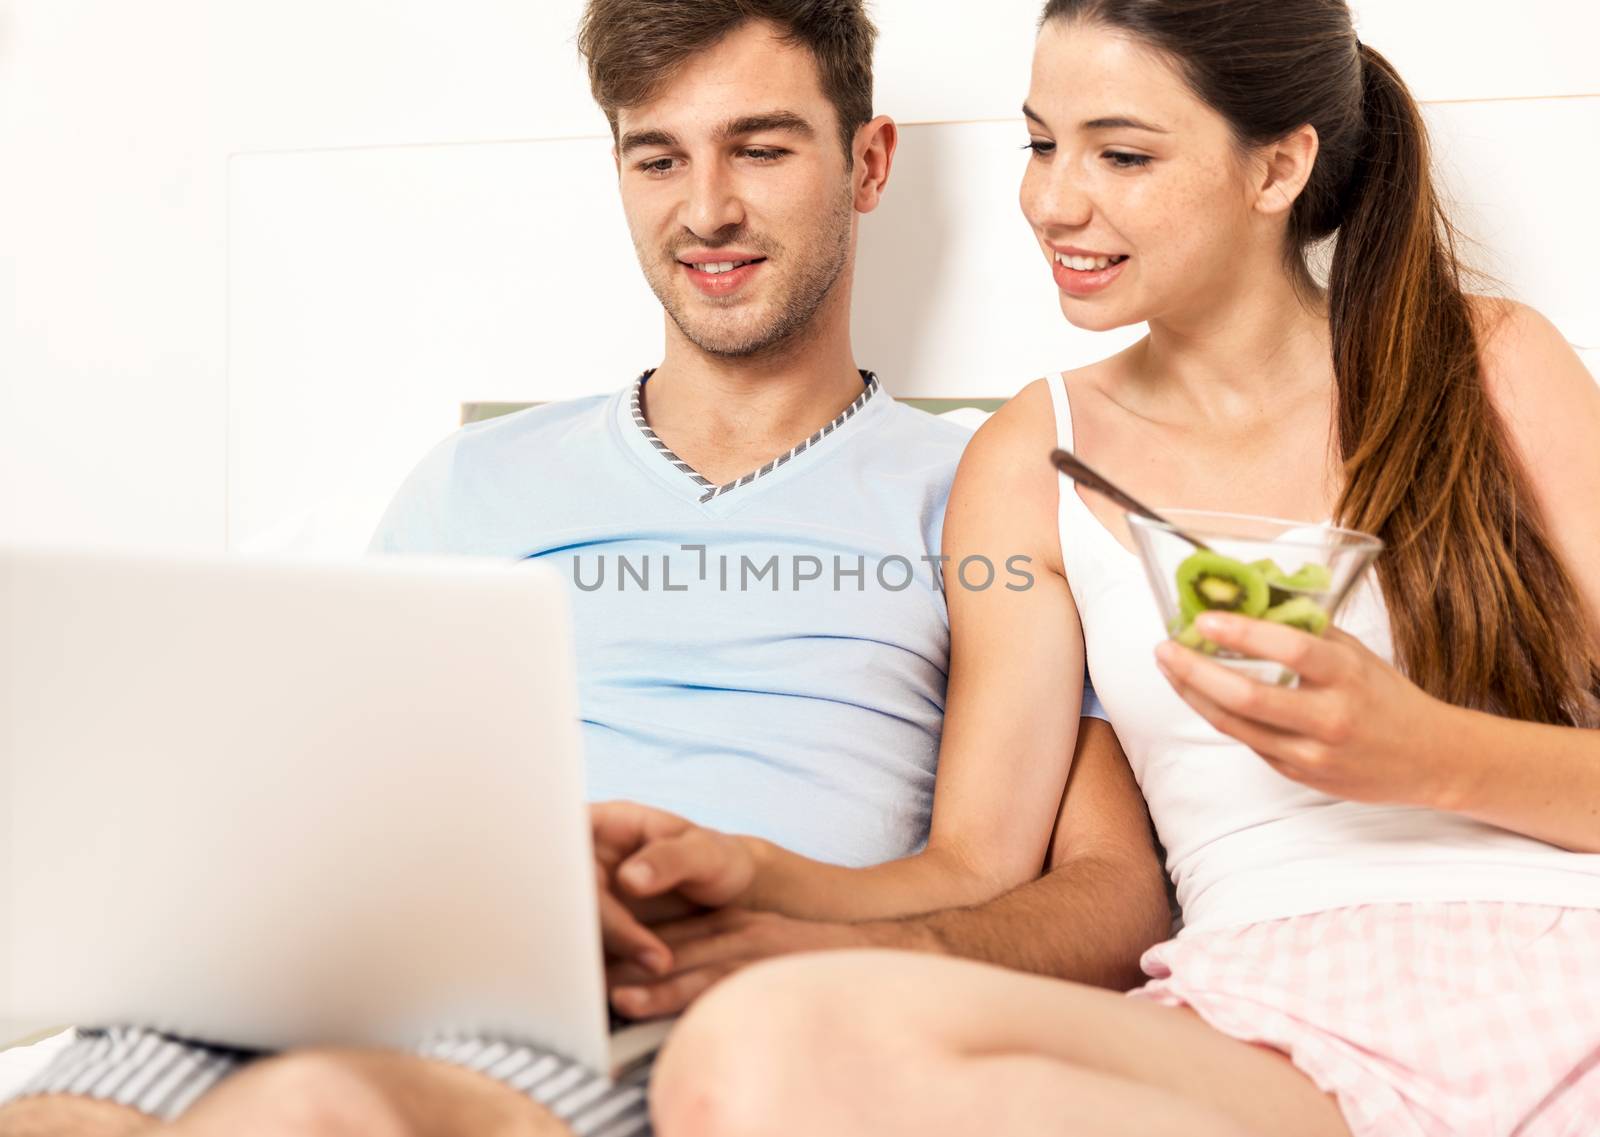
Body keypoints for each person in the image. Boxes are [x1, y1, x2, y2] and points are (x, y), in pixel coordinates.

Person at [0, 3, 1153, 1137]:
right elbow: (323, 790)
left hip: (662, 993)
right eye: (658, 157)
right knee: (63, 1108)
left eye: (759, 147)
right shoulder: (471, 479)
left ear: (867, 161)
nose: (706, 210)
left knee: (314, 1112)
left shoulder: (985, 494)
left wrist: (830, 945)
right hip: (384, 951)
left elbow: (1110, 891)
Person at [638, 1, 1600, 1135]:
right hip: (1264, 1016)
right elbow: (976, 866)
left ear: (1278, 167)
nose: (1053, 200)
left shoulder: (1490, 365)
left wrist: (1422, 751)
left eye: (1123, 154)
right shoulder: (1028, 461)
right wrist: (748, 869)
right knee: (760, 1044)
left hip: (1558, 953)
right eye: (1042, 143)